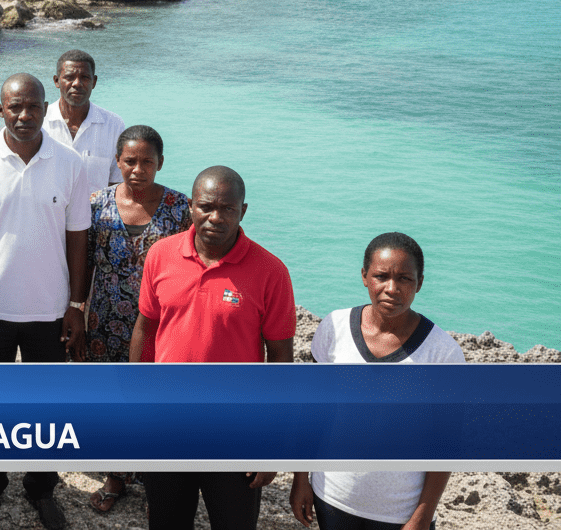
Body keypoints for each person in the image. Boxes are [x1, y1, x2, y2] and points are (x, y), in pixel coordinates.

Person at [0, 73, 91, 530]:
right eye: (15, 107)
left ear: (45, 107)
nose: (25, 115)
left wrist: (76, 306)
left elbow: (77, 240)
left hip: (49, 310)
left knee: (47, 407)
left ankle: (41, 486)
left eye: (33, 106)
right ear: (0, 110)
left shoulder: (69, 163)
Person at [129, 165, 295, 530]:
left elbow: (282, 358)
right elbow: (146, 328)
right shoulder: (161, 255)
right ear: (191, 206)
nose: (215, 217)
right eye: (206, 207)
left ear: (243, 211)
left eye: (228, 209)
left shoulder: (271, 271)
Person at [290, 232, 463, 530]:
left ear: (420, 283)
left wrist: (422, 515)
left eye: (405, 279)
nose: (391, 288)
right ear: (364, 276)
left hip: (399, 511)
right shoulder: (334, 328)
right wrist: (300, 478)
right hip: (332, 497)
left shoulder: (442, 352)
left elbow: (444, 442)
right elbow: (314, 412)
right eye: (381, 276)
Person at [84, 125, 193, 514]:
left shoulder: (181, 208)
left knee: (158, 401)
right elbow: (83, 262)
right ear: (117, 161)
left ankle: (156, 480)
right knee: (114, 402)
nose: (138, 168)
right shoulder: (97, 203)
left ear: (160, 163)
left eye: (148, 161)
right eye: (130, 160)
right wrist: (77, 309)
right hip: (106, 320)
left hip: (161, 325)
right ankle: (116, 475)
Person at [42, 50, 126, 202]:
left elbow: (117, 183)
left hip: (96, 221)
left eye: (84, 77)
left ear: (94, 82)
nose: (77, 84)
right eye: (69, 77)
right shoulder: (40, 124)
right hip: (48, 220)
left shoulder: (114, 125)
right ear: (56, 81)